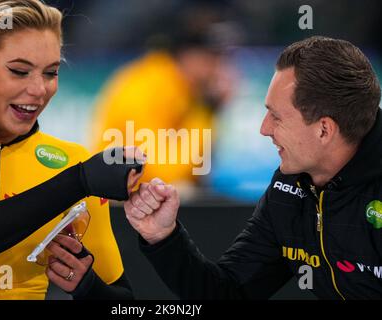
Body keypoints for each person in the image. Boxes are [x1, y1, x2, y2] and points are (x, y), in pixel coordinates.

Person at [124, 36, 382, 299]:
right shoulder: (290, 187)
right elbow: (228, 294)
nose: (263, 129)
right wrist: (164, 237)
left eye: (276, 117)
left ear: (324, 129)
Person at [0, 0, 144, 300]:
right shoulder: (79, 175)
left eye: (50, 72)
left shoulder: (71, 162)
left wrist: (87, 285)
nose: (39, 89)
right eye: (19, 71)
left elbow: (124, 303)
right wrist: (79, 181)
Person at [91, 5, 235, 196]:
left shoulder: (182, 87)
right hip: (115, 197)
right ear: (188, 55)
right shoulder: (148, 87)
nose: (220, 68)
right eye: (214, 58)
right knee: (185, 193)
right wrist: (206, 110)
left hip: (141, 191)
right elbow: (166, 174)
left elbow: (199, 171)